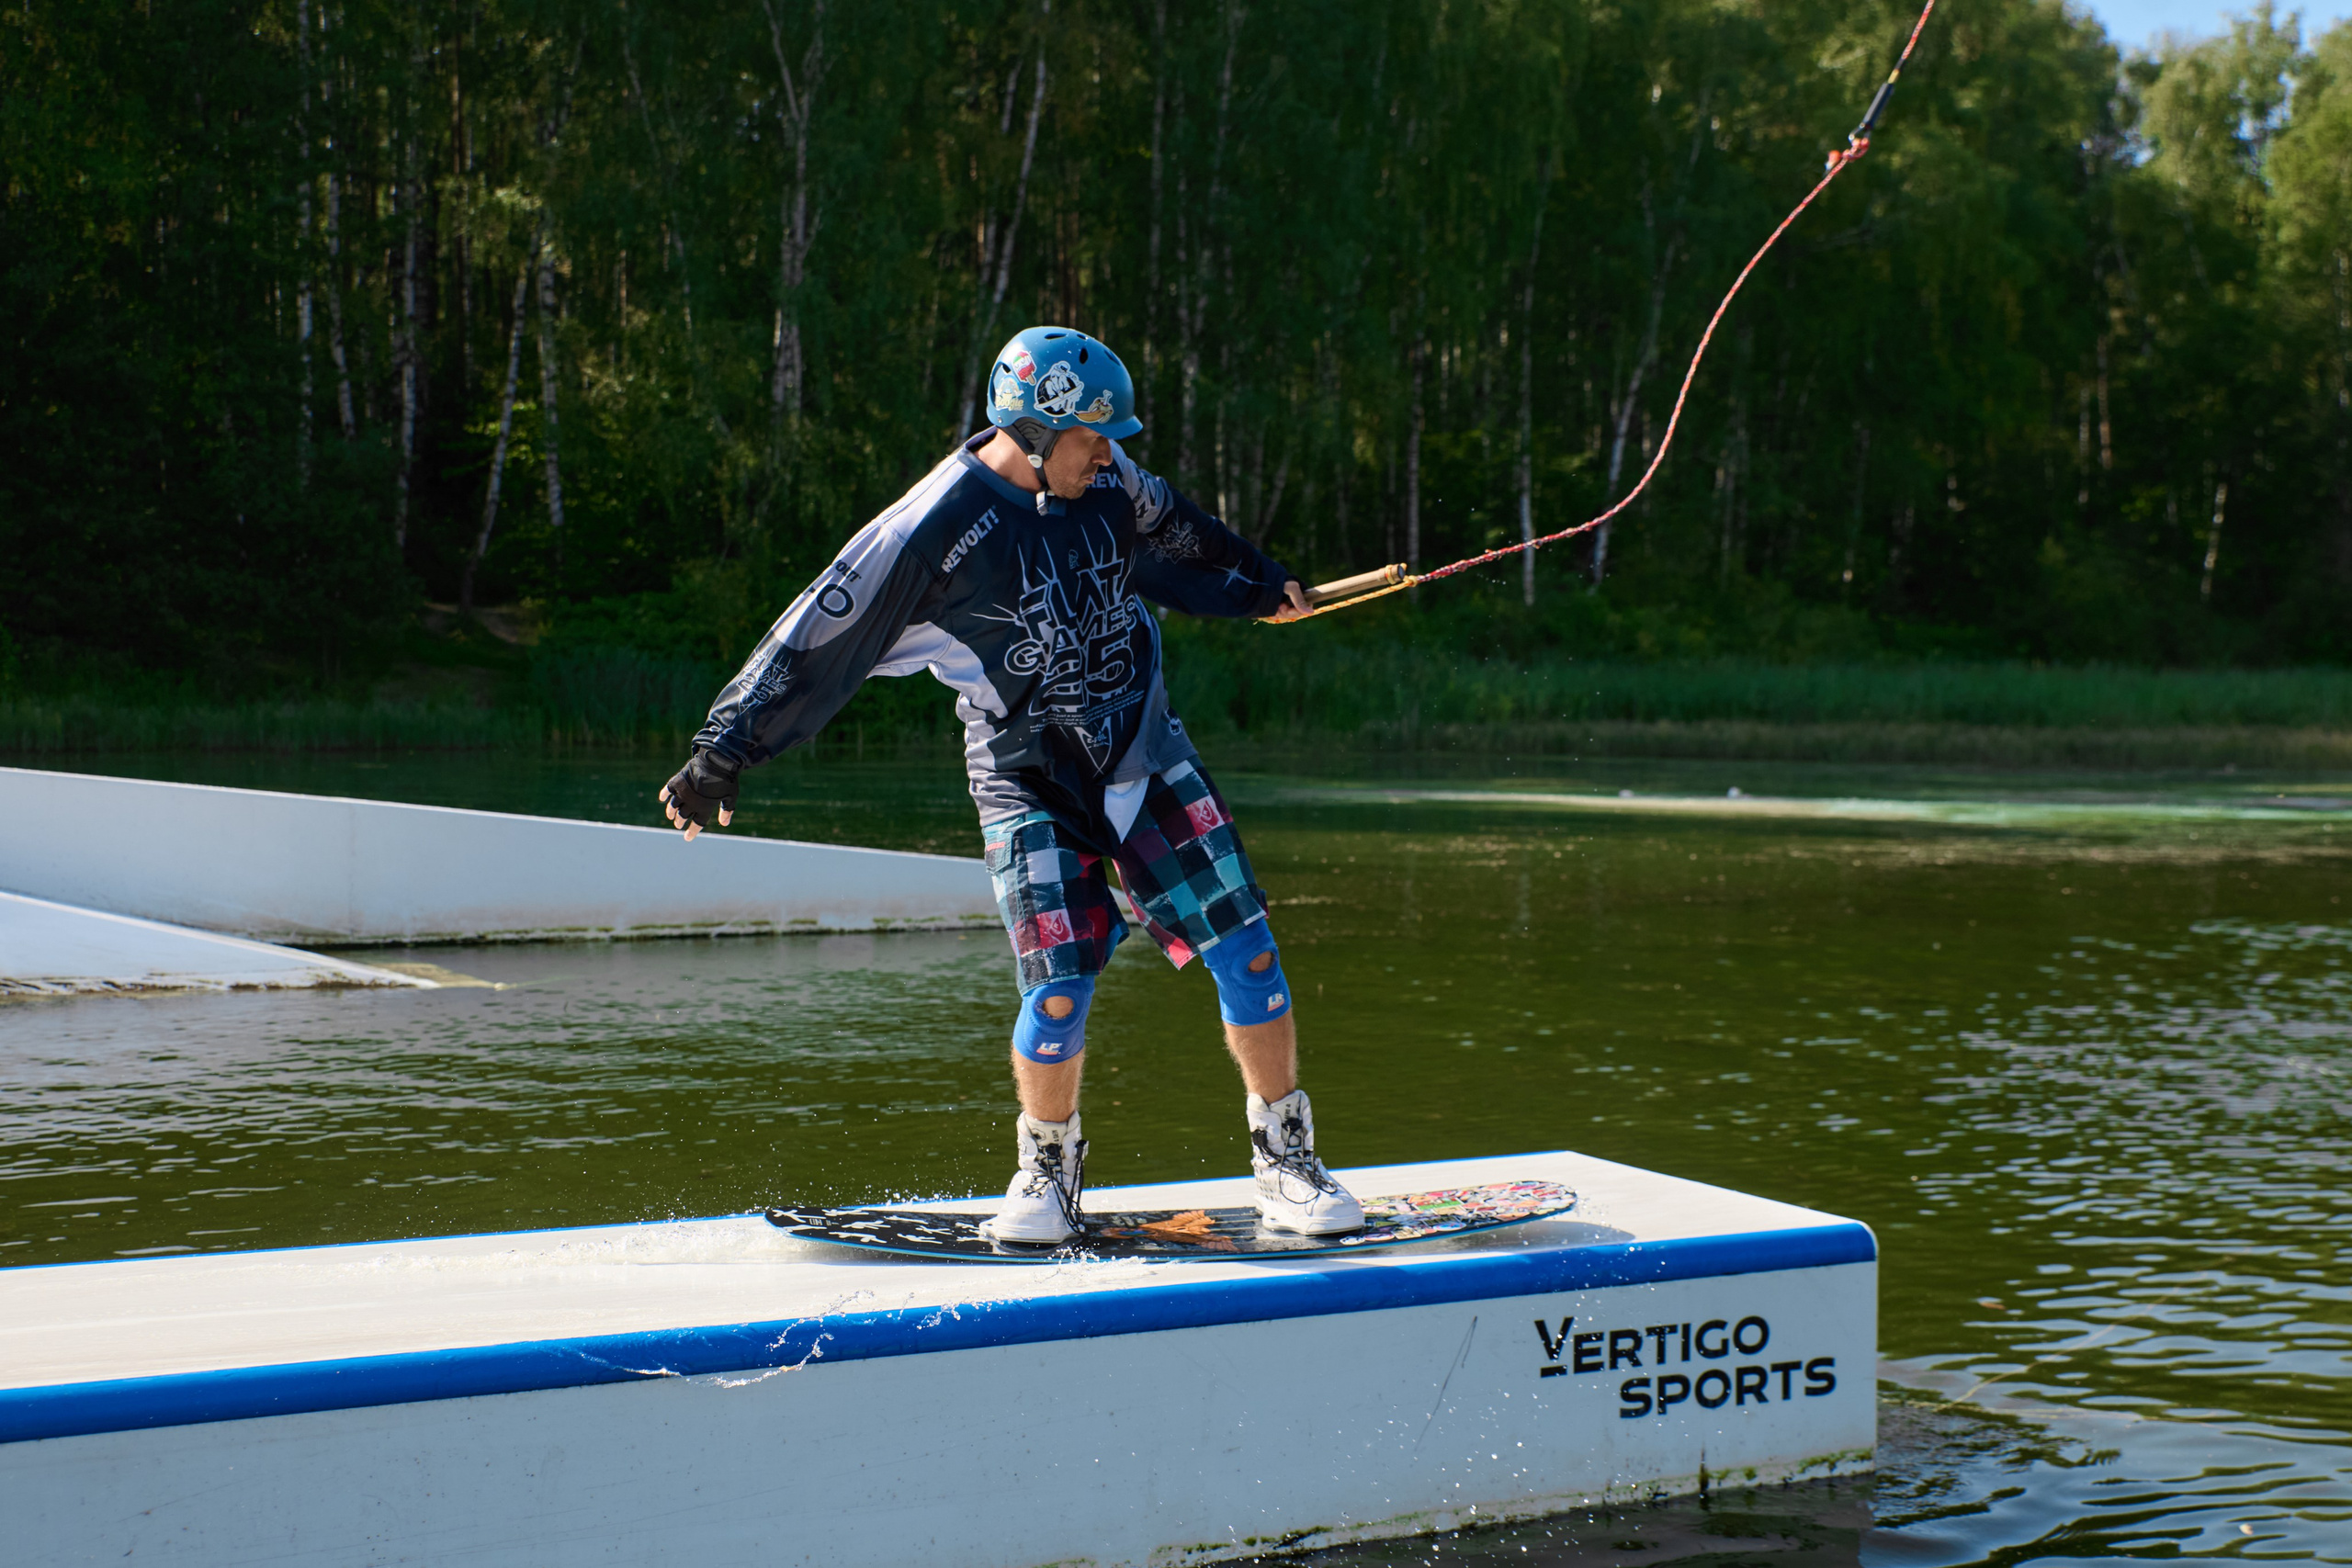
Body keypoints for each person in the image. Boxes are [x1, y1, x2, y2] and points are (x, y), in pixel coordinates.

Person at [657, 326, 1363, 1246]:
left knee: (1249, 951)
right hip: (1026, 778)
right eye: (1091, 437)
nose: (1109, 454)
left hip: (1144, 752)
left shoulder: (1110, 485)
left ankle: (1287, 1162)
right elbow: (814, 637)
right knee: (1059, 987)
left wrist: (1261, 585)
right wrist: (723, 752)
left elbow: (1179, 534)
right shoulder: (931, 530)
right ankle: (1046, 1174)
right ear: (1030, 432)